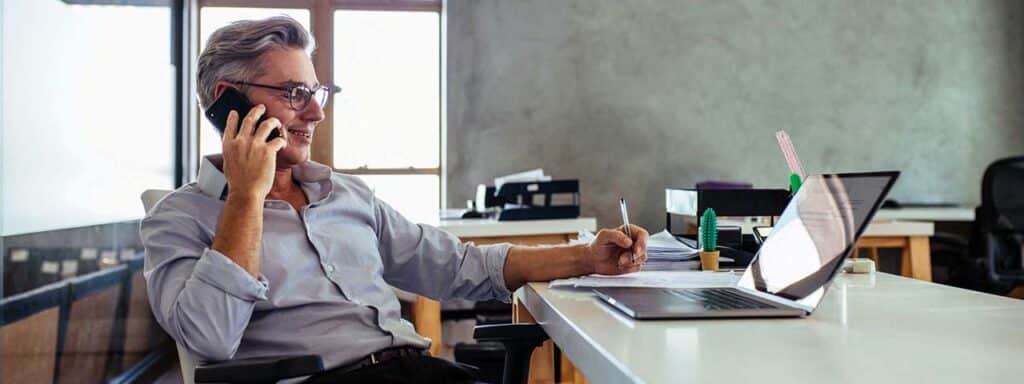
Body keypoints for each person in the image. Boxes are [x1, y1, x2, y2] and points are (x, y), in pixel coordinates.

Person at [140, 16, 649, 383]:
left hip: (417, 371)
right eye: (294, 93)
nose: (316, 113)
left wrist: (588, 256)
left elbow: (461, 267)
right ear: (228, 101)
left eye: (318, 92)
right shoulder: (178, 218)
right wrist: (246, 197)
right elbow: (211, 337)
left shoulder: (345, 194)